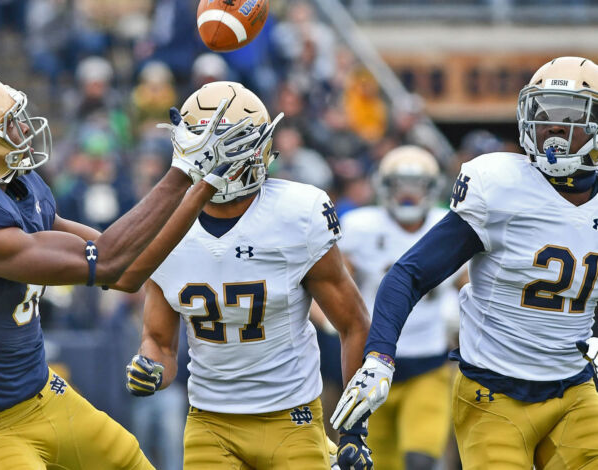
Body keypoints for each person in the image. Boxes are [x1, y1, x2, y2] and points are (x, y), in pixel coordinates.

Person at [0, 70, 261, 470]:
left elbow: (126, 271)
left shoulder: (16, 187)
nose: (23, 131)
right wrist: (181, 172)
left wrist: (204, 181)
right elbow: (107, 260)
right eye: (8, 126)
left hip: (43, 396)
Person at [331, 56, 598, 470]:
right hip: (494, 394)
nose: (551, 126)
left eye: (568, 114)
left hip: (575, 391)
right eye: (543, 111)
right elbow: (409, 273)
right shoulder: (501, 186)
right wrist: (379, 356)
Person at [124, 81, 373, 469]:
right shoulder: (163, 224)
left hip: (291, 418)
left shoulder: (297, 213)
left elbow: (354, 324)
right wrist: (150, 366)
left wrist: (354, 429)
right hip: (210, 423)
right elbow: (161, 343)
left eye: (234, 145)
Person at [338, 146, 457, 470]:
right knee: (379, 462)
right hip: (373, 364)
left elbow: (469, 284)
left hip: (428, 364)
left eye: (416, 185)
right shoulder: (360, 226)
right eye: (400, 184)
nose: (407, 194)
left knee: (420, 460)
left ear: (432, 188)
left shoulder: (448, 224)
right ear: (384, 187)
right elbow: (334, 281)